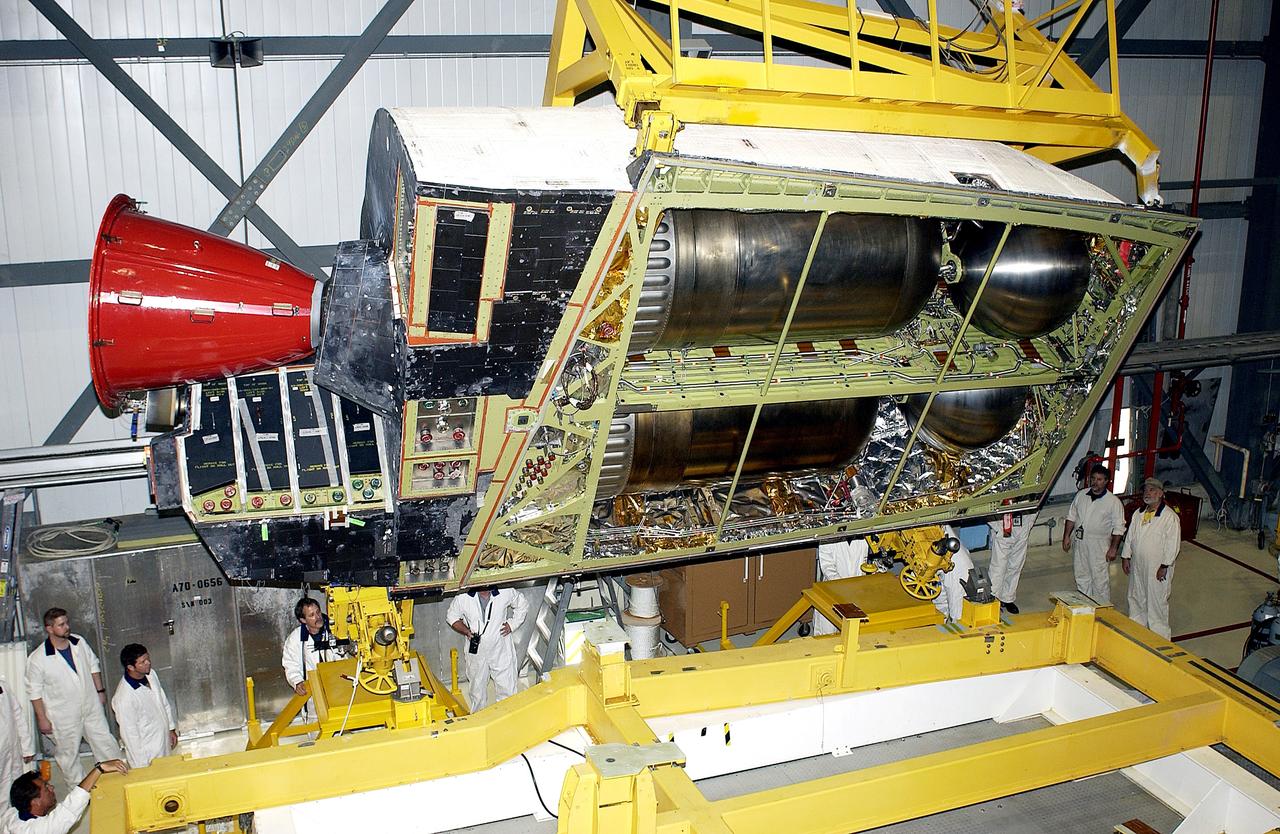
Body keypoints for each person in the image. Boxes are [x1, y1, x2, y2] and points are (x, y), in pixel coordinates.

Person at [24, 609, 122, 789]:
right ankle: (80, 792)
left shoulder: (79, 642)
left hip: (90, 706)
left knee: (105, 741)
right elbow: (34, 692)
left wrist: (100, 691)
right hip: (63, 715)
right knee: (68, 755)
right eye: (61, 625)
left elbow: (93, 665)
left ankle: (116, 778)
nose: (67, 627)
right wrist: (42, 718)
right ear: (49, 629)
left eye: (67, 622)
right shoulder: (38, 659)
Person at [447, 587, 529, 712]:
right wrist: (467, 631)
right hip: (476, 651)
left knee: (506, 686)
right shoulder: (463, 597)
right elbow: (451, 617)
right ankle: (480, 718)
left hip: (500, 647)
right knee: (477, 689)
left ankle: (506, 717)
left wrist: (512, 624)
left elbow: (522, 604)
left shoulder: (505, 591)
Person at [1121, 477, 1182, 639]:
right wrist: (1126, 556)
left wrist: (1164, 566)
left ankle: (1160, 637)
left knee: (1156, 602)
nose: (1148, 493)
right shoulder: (1138, 513)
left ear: (1161, 493)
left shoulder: (1169, 517)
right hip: (1138, 565)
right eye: (1146, 490)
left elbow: (1173, 544)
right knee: (1136, 596)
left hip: (1157, 568)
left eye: (1152, 490)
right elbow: (1130, 536)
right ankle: (1137, 630)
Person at [4, 758, 128, 833]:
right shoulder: (39, 830)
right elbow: (68, 810)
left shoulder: (13, 813)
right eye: (46, 788)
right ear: (35, 802)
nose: (52, 788)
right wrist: (99, 769)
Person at [1062, 464, 1126, 605]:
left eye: (1099, 479)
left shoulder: (1113, 502)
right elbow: (1071, 516)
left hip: (1099, 544)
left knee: (1099, 578)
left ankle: (1102, 608)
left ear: (1106, 481)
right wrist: (1066, 536)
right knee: (1081, 575)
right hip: (1080, 542)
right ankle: (1085, 606)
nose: (1095, 482)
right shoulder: (1081, 495)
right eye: (1093, 478)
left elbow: (1119, 527)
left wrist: (1113, 548)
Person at [110, 644, 177, 769]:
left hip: (163, 743)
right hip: (147, 754)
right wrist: (141, 766)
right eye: (142, 662)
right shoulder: (124, 698)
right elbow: (130, 735)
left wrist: (171, 728)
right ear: (130, 667)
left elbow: (163, 702)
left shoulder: (151, 674)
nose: (148, 663)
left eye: (148, 659)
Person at [281, 597, 341, 697]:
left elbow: (343, 659)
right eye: (312, 615)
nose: (318, 617)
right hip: (312, 696)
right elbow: (290, 664)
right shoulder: (295, 639)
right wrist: (297, 682)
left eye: (318, 612)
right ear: (303, 620)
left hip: (338, 689)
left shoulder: (335, 630)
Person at [813, 538, 871, 635]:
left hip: (857, 591)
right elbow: (827, 567)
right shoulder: (828, 540)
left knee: (853, 631)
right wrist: (843, 585)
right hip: (832, 589)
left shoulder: (864, 539)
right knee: (827, 631)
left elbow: (867, 561)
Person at [986, 510, 1038, 614]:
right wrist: (997, 528)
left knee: (1016, 566)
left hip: (1022, 528)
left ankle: (1007, 598)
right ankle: (992, 600)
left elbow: (1036, 506)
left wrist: (1028, 525)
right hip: (1003, 527)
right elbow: (988, 508)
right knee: (998, 568)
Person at [0, 678, 34, 810]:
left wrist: (26, 747)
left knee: (15, 784)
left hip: (12, 749)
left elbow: (17, 714)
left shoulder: (3, 685)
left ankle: (14, 818)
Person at [934, 525, 976, 622]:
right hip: (945, 565)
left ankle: (955, 630)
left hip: (958, 573)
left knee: (956, 612)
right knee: (940, 598)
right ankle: (940, 622)